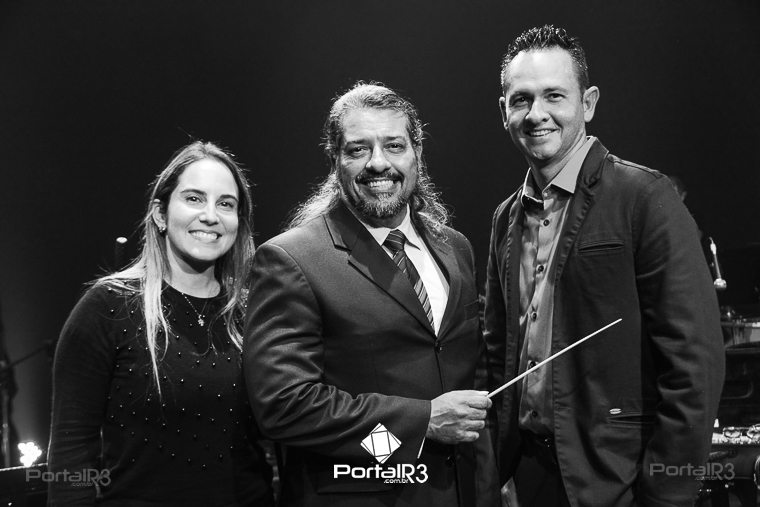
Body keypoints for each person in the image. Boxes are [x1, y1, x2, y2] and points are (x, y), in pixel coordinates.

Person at [484, 25, 725, 506]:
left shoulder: (645, 198)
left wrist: (665, 494)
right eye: (521, 99)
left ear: (588, 103)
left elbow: (695, 367)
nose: (536, 114)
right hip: (529, 477)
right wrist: (497, 468)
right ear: (503, 110)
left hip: (620, 480)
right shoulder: (505, 219)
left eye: (554, 95)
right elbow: (496, 355)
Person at [244, 82, 499, 507]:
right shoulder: (292, 259)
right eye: (358, 149)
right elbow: (284, 405)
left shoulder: (456, 248)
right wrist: (421, 423)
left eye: (394, 145)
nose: (378, 163)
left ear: (417, 153)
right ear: (335, 160)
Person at [47, 141, 274, 506]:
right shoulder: (108, 307)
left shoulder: (254, 312)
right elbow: (71, 450)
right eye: (194, 199)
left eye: (226, 204)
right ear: (160, 214)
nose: (211, 216)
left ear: (238, 221)